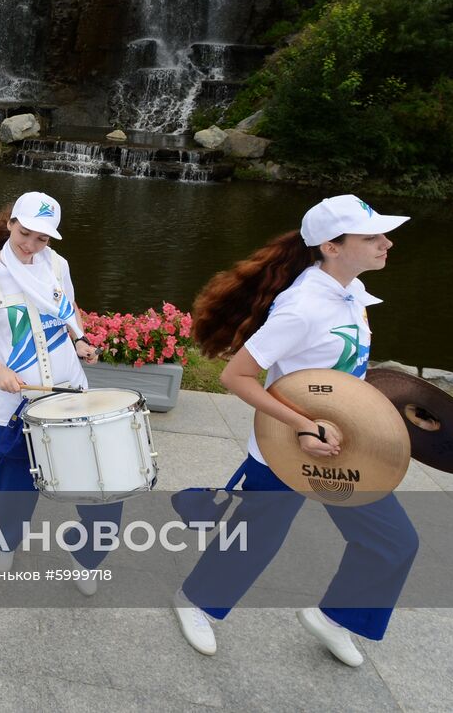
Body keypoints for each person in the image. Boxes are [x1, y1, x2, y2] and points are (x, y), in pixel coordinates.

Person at [171, 194, 418, 666]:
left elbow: (342, 372)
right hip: (286, 447)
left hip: (346, 448)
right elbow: (236, 376)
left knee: (394, 541)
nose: (387, 243)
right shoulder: (302, 307)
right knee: (255, 539)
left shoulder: (351, 294)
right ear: (332, 246)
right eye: (373, 237)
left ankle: (337, 618)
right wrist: (305, 425)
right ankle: (196, 603)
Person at [0, 192, 119, 593]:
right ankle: (7, 541)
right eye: (25, 233)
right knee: (16, 492)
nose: (31, 245)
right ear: (10, 224)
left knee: (102, 493)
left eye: (42, 238)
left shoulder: (56, 265)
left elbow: (70, 312)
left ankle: (88, 558)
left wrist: (80, 341)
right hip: (19, 407)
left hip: (72, 397)